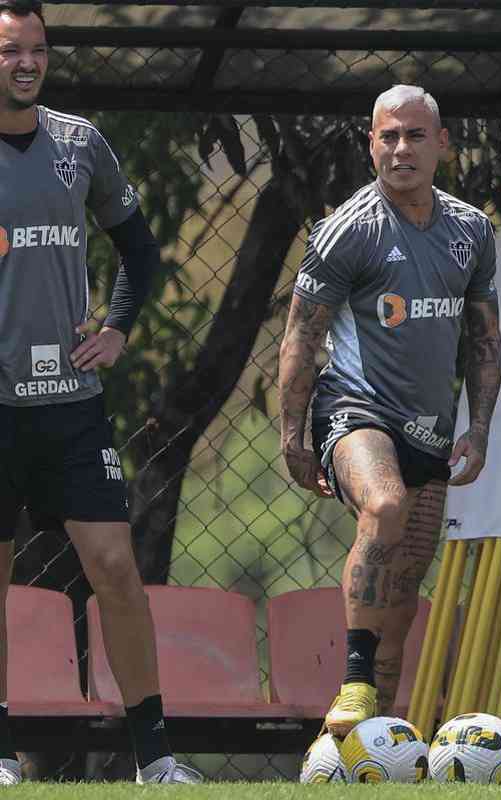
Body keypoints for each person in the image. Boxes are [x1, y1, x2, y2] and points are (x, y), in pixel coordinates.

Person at [0, 0, 201, 785]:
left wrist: (116, 327)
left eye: (37, 50)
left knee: (115, 565)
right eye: (11, 49)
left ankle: (156, 756)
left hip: (72, 405)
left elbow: (141, 253)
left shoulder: (79, 143)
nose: (25, 63)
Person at [278, 84, 501, 739]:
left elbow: (485, 339)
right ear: (370, 143)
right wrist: (293, 437)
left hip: (429, 430)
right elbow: (300, 338)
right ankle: (352, 680)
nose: (401, 148)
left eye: (414, 135)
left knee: (403, 591)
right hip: (354, 411)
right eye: (388, 136)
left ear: (443, 145)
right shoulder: (349, 231)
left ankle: (369, 740)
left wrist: (479, 430)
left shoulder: (470, 231)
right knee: (384, 507)